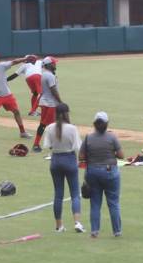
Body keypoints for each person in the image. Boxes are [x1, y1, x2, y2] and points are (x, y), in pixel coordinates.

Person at [79, 111, 124, 238]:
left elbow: (81, 156)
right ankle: (117, 231)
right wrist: (110, 154)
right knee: (113, 203)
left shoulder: (89, 137)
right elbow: (121, 155)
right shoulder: (112, 137)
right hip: (110, 172)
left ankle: (94, 231)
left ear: (94, 124)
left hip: (93, 172)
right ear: (107, 124)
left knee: (95, 203)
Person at [43, 103, 84, 233]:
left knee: (58, 195)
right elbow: (78, 146)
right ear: (67, 113)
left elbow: (48, 145)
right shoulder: (72, 128)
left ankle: (59, 225)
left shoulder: (50, 127)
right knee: (75, 194)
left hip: (55, 160)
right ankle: (77, 222)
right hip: (69, 159)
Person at [32, 56, 61, 153]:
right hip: (50, 103)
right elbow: (53, 90)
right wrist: (61, 102)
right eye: (53, 63)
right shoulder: (50, 76)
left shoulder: (45, 74)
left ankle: (44, 144)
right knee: (47, 124)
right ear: (49, 65)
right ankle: (39, 145)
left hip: (45, 102)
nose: (55, 64)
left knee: (45, 124)